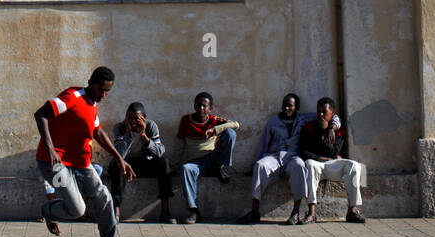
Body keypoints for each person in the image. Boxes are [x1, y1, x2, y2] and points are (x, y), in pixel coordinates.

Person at [35, 66, 133, 237]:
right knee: (77, 210)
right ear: (91, 83)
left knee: (104, 197)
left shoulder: (92, 102)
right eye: (101, 89)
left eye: (108, 91)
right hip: (54, 164)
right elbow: (41, 114)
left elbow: (97, 132)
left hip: (81, 162)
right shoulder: (72, 97)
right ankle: (48, 211)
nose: (104, 95)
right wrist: (51, 148)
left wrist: (119, 158)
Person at [238, 91, 308, 225]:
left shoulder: (303, 120)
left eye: (290, 106)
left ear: (297, 108)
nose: (286, 109)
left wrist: (333, 126)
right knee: (260, 166)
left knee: (300, 166)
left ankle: (296, 212)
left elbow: (329, 117)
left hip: (293, 156)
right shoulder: (273, 121)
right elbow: (264, 142)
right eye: (284, 106)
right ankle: (255, 211)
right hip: (275, 156)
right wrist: (254, 163)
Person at [298, 97, 365, 224]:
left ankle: (352, 210)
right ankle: (311, 212)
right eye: (318, 111)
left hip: (332, 166)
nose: (320, 115)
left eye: (324, 112)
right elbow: (304, 152)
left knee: (354, 165)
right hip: (317, 164)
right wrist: (326, 157)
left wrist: (327, 130)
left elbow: (334, 152)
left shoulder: (338, 131)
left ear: (332, 113)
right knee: (310, 164)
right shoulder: (308, 128)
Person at [176, 91, 239, 223]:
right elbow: (182, 143)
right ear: (194, 106)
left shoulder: (214, 120)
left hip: (213, 158)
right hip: (196, 163)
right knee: (186, 169)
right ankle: (193, 210)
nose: (201, 109)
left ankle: (221, 167)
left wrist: (215, 130)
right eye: (198, 105)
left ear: (210, 108)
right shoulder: (186, 120)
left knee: (230, 133)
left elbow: (235, 124)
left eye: (205, 106)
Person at [109, 102, 174, 223]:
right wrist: (128, 134)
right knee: (116, 164)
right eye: (129, 117)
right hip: (127, 164)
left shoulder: (150, 126)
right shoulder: (120, 127)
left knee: (164, 163)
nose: (133, 121)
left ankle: (165, 211)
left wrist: (144, 135)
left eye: (136, 118)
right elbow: (119, 155)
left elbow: (159, 152)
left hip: (145, 163)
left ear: (144, 117)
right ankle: (116, 210)